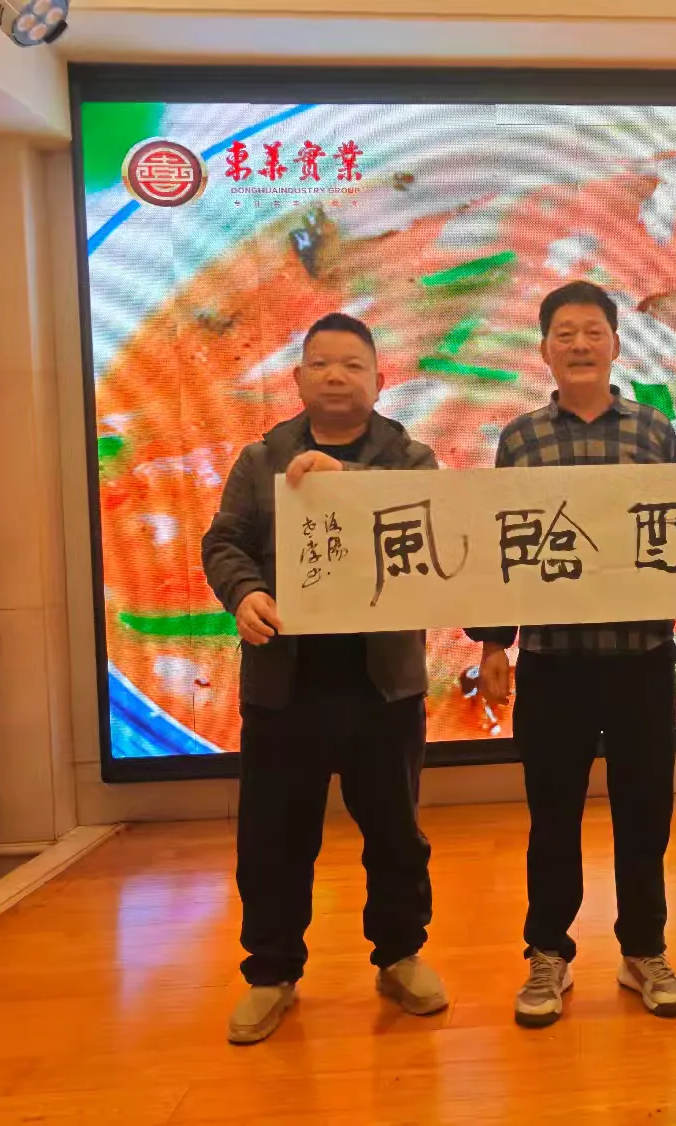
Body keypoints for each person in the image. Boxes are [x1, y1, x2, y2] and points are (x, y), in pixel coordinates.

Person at [469, 281, 676, 1028]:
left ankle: (644, 950)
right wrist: (494, 642)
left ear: (614, 344)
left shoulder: (652, 429)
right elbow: (501, 544)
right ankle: (548, 953)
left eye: (593, 332)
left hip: (642, 656)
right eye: (565, 333)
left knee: (646, 814)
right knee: (552, 819)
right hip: (554, 661)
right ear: (545, 349)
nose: (579, 344)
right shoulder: (521, 439)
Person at [202, 312, 447, 1044]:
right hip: (286, 684)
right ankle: (271, 971)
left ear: (380, 379)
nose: (336, 376)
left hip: (384, 684)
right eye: (320, 364)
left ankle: (399, 955)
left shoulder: (411, 458)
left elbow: (435, 529)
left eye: (352, 365)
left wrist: (351, 485)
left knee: (395, 831)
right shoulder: (261, 458)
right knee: (274, 837)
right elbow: (224, 542)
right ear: (298, 376)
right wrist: (245, 593)